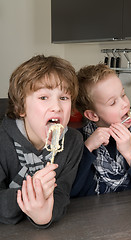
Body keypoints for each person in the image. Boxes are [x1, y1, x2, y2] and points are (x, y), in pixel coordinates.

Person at [0, 55, 84, 227]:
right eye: (44, 97)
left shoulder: (73, 142)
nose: (57, 107)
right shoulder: (2, 141)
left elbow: (61, 194)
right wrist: (30, 193)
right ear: (20, 108)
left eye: (64, 98)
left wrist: (44, 216)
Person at [70, 63, 131, 197]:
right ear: (93, 115)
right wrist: (87, 148)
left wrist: (129, 152)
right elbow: (71, 191)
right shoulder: (77, 140)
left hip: (125, 213)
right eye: (112, 103)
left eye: (123, 95)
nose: (125, 104)